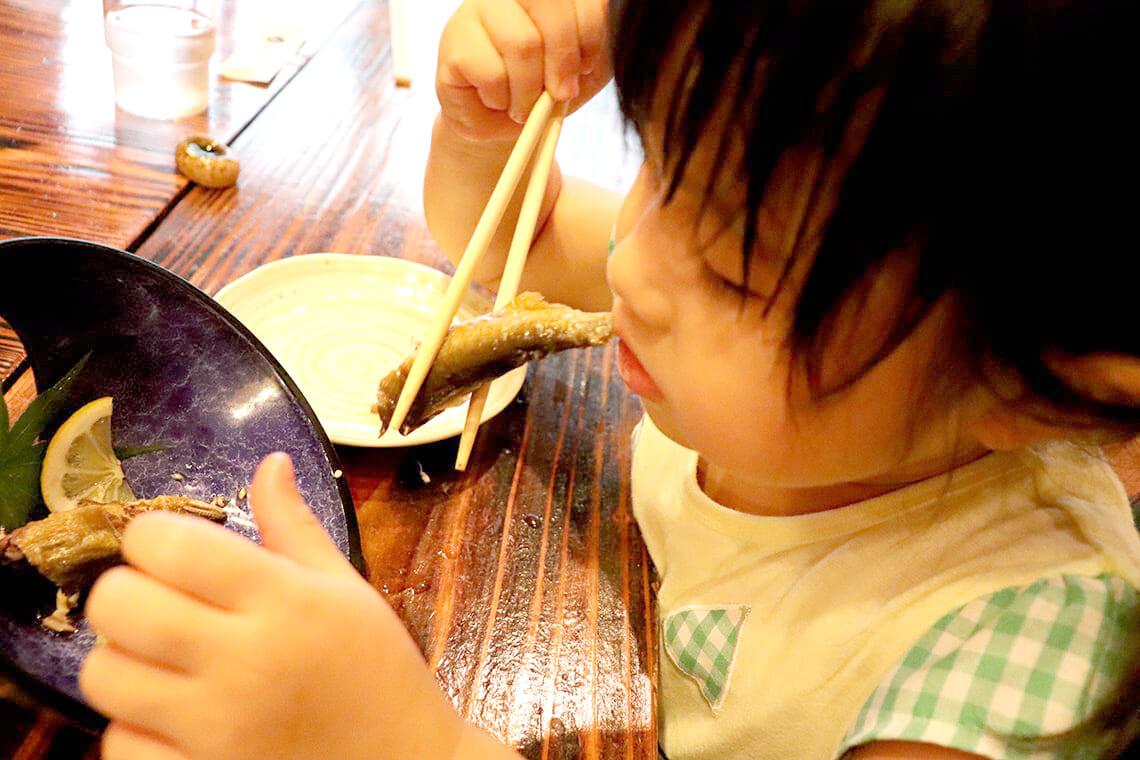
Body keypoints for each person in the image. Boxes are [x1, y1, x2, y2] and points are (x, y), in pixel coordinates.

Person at [78, 1, 1140, 759]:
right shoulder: (768, 343)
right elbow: (516, 233)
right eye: (658, 162)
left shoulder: (1014, 655)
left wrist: (406, 742)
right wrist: (482, 128)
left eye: (733, 268)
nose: (633, 259)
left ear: (1031, 385)